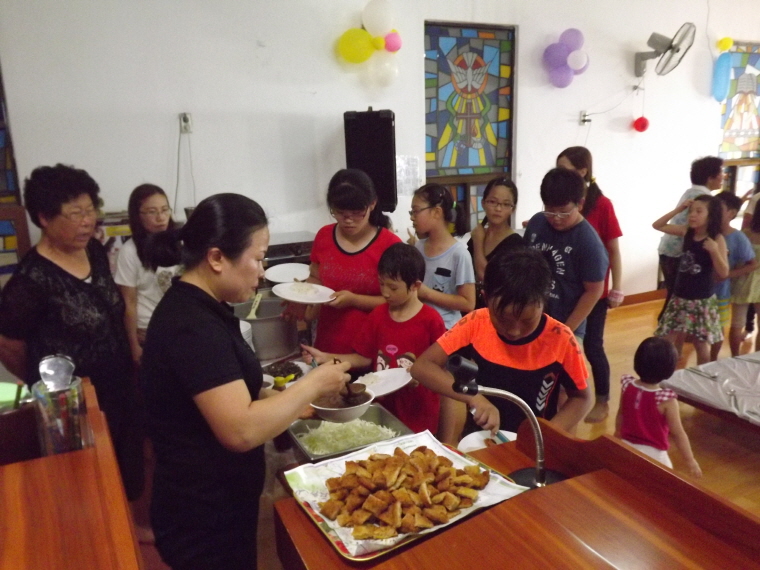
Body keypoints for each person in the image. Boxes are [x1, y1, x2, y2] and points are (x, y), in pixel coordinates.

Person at [140, 193, 350, 570]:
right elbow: (239, 431)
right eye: (258, 258)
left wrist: (291, 402)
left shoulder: (205, 307)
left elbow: (237, 390)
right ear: (216, 258)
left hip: (222, 505)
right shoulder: (191, 326)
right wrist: (314, 383)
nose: (263, 271)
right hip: (201, 515)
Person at [0, 164, 147, 530]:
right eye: (75, 213)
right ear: (44, 218)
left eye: (90, 210)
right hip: (75, 402)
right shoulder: (30, 281)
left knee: (128, 455)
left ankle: (129, 523)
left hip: (118, 382)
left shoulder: (93, 250)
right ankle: (107, 534)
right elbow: (9, 344)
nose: (87, 221)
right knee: (88, 474)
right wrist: (46, 382)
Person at [410, 248, 592, 445]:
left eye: (527, 320)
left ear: (543, 302)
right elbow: (422, 367)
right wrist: (474, 398)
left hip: (533, 446)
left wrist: (545, 435)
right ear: (486, 297)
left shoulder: (560, 339)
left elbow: (582, 398)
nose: (514, 330)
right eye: (502, 318)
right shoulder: (476, 323)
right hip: (480, 440)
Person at [301, 243, 447, 434]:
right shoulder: (378, 315)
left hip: (418, 413)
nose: (385, 292)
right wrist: (325, 357)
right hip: (383, 411)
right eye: (381, 283)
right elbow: (364, 358)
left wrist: (420, 377)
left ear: (415, 286)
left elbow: (440, 370)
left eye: (393, 287)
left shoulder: (431, 321)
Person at [298, 169, 400, 355]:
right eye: (339, 212)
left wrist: (354, 300)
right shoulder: (324, 236)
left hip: (374, 347)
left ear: (372, 204)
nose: (348, 220)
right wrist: (301, 299)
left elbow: (401, 301)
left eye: (356, 212)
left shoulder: (390, 245)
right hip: (328, 343)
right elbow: (315, 277)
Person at [555, 147, 623, 424]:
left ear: (583, 171)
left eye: (565, 169)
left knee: (593, 347)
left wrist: (617, 287)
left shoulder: (602, 205)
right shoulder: (560, 204)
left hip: (594, 292)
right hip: (566, 290)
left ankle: (602, 400)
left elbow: (613, 250)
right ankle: (561, 401)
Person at [523, 168, 608, 340]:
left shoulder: (589, 243)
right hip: (530, 319)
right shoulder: (537, 222)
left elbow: (594, 291)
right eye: (549, 210)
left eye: (563, 211)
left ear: (580, 204)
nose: (556, 217)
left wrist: (565, 330)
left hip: (566, 325)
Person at [653, 195, 729, 364]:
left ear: (711, 216)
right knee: (666, 339)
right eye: (691, 211)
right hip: (680, 297)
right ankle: (664, 373)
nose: (692, 215)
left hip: (701, 301)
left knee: (700, 344)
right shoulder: (687, 232)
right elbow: (657, 225)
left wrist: (714, 251)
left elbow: (724, 272)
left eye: (699, 211)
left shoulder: (717, 239)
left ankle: (702, 376)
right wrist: (679, 209)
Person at [615, 337, 702, 478]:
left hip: (626, 445)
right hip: (655, 455)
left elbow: (621, 414)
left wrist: (617, 435)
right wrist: (690, 460)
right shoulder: (666, 400)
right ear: (669, 369)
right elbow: (678, 433)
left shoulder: (627, 386)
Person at [114, 184, 181, 365]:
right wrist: (134, 346)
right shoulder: (130, 251)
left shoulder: (179, 242)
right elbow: (129, 302)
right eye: (152, 212)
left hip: (180, 326)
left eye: (164, 210)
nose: (161, 217)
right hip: (149, 331)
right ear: (138, 216)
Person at [657, 156, 725, 322]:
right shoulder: (704, 198)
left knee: (675, 298)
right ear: (710, 177)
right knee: (676, 298)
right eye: (721, 172)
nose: (723, 176)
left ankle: (672, 329)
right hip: (678, 253)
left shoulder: (691, 192)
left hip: (670, 251)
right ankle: (667, 330)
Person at [410, 183, 476, 329]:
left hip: (446, 329)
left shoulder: (459, 254)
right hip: (420, 325)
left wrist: (427, 293)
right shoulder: (418, 247)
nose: (412, 218)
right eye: (411, 212)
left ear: (436, 212)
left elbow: (468, 303)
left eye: (416, 211)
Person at [467, 176, 524, 310]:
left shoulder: (516, 244)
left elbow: (486, 276)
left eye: (506, 204)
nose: (498, 208)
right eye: (493, 202)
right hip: (471, 308)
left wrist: (478, 243)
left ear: (513, 208)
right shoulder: (479, 233)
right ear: (483, 203)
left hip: (497, 312)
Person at [712, 192, 756, 358]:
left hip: (722, 291)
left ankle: (715, 359)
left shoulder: (738, 237)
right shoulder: (705, 231)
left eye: (718, 209)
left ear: (731, 213)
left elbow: (752, 264)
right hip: (701, 290)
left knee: (719, 327)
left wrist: (728, 274)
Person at [730, 204, 760, 354]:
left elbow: (735, 258)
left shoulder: (745, 234)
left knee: (737, 324)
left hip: (742, 280)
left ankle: (734, 357)